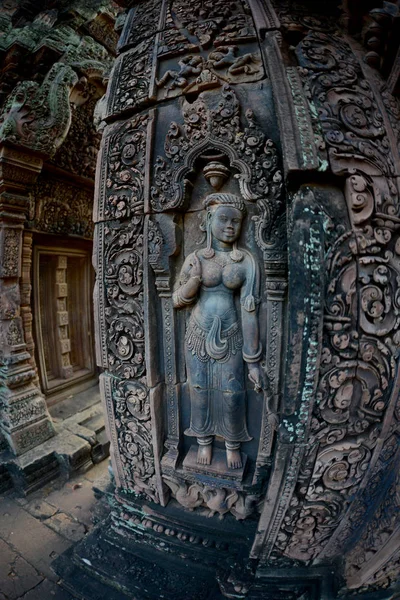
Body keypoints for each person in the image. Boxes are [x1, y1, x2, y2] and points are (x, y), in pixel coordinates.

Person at [173, 193, 262, 469]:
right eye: (223, 219)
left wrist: (254, 362)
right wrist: (195, 279)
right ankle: (203, 442)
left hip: (232, 333)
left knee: (233, 391)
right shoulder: (196, 257)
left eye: (236, 221)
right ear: (208, 220)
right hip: (198, 331)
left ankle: (233, 443)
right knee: (198, 389)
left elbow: (249, 311)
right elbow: (177, 299)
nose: (229, 226)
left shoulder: (246, 261)